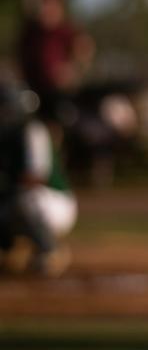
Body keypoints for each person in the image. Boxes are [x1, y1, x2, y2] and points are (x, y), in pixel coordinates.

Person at [0, 82, 76, 278]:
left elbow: (35, 176)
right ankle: (9, 251)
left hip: (54, 202)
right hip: (24, 199)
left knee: (23, 198)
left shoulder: (32, 131)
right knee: (14, 200)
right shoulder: (5, 135)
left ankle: (50, 251)